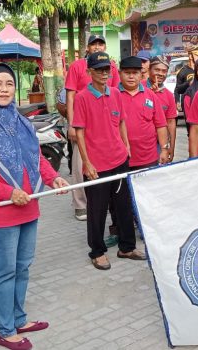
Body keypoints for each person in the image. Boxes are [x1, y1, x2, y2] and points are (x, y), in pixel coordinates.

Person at [0, 64, 68, 350]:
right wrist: (8, 191)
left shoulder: (21, 122)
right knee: (4, 272)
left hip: (28, 208)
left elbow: (35, 158)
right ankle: (5, 330)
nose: (4, 89)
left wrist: (53, 177)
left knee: (22, 268)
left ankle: (19, 319)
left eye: (9, 83)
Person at [72, 52, 146, 270]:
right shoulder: (82, 97)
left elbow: (121, 121)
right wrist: (87, 162)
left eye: (107, 69)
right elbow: (79, 133)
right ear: (90, 72)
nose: (104, 73)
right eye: (99, 70)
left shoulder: (115, 93)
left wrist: (126, 145)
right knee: (97, 210)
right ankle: (97, 251)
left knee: (123, 207)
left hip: (119, 160)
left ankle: (127, 247)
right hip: (97, 165)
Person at [64, 35, 119, 221]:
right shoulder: (77, 66)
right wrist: (72, 124)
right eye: (93, 44)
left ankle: (106, 201)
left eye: (100, 43)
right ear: (87, 48)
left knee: (107, 161)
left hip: (106, 123)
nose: (97, 46)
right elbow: (70, 96)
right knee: (80, 163)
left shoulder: (111, 66)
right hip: (82, 121)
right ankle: (80, 204)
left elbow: (116, 93)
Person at [118, 56, 170, 168]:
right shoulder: (112, 95)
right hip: (119, 158)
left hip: (148, 157)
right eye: (127, 73)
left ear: (141, 74)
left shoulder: (151, 95)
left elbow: (161, 125)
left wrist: (164, 149)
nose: (131, 76)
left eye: (135, 73)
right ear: (119, 73)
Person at [147, 55, 177, 162]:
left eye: (164, 71)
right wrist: (149, 93)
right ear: (149, 70)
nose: (160, 73)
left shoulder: (168, 95)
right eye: (157, 70)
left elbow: (171, 122)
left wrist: (171, 147)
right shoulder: (138, 88)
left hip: (159, 144)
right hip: (139, 143)